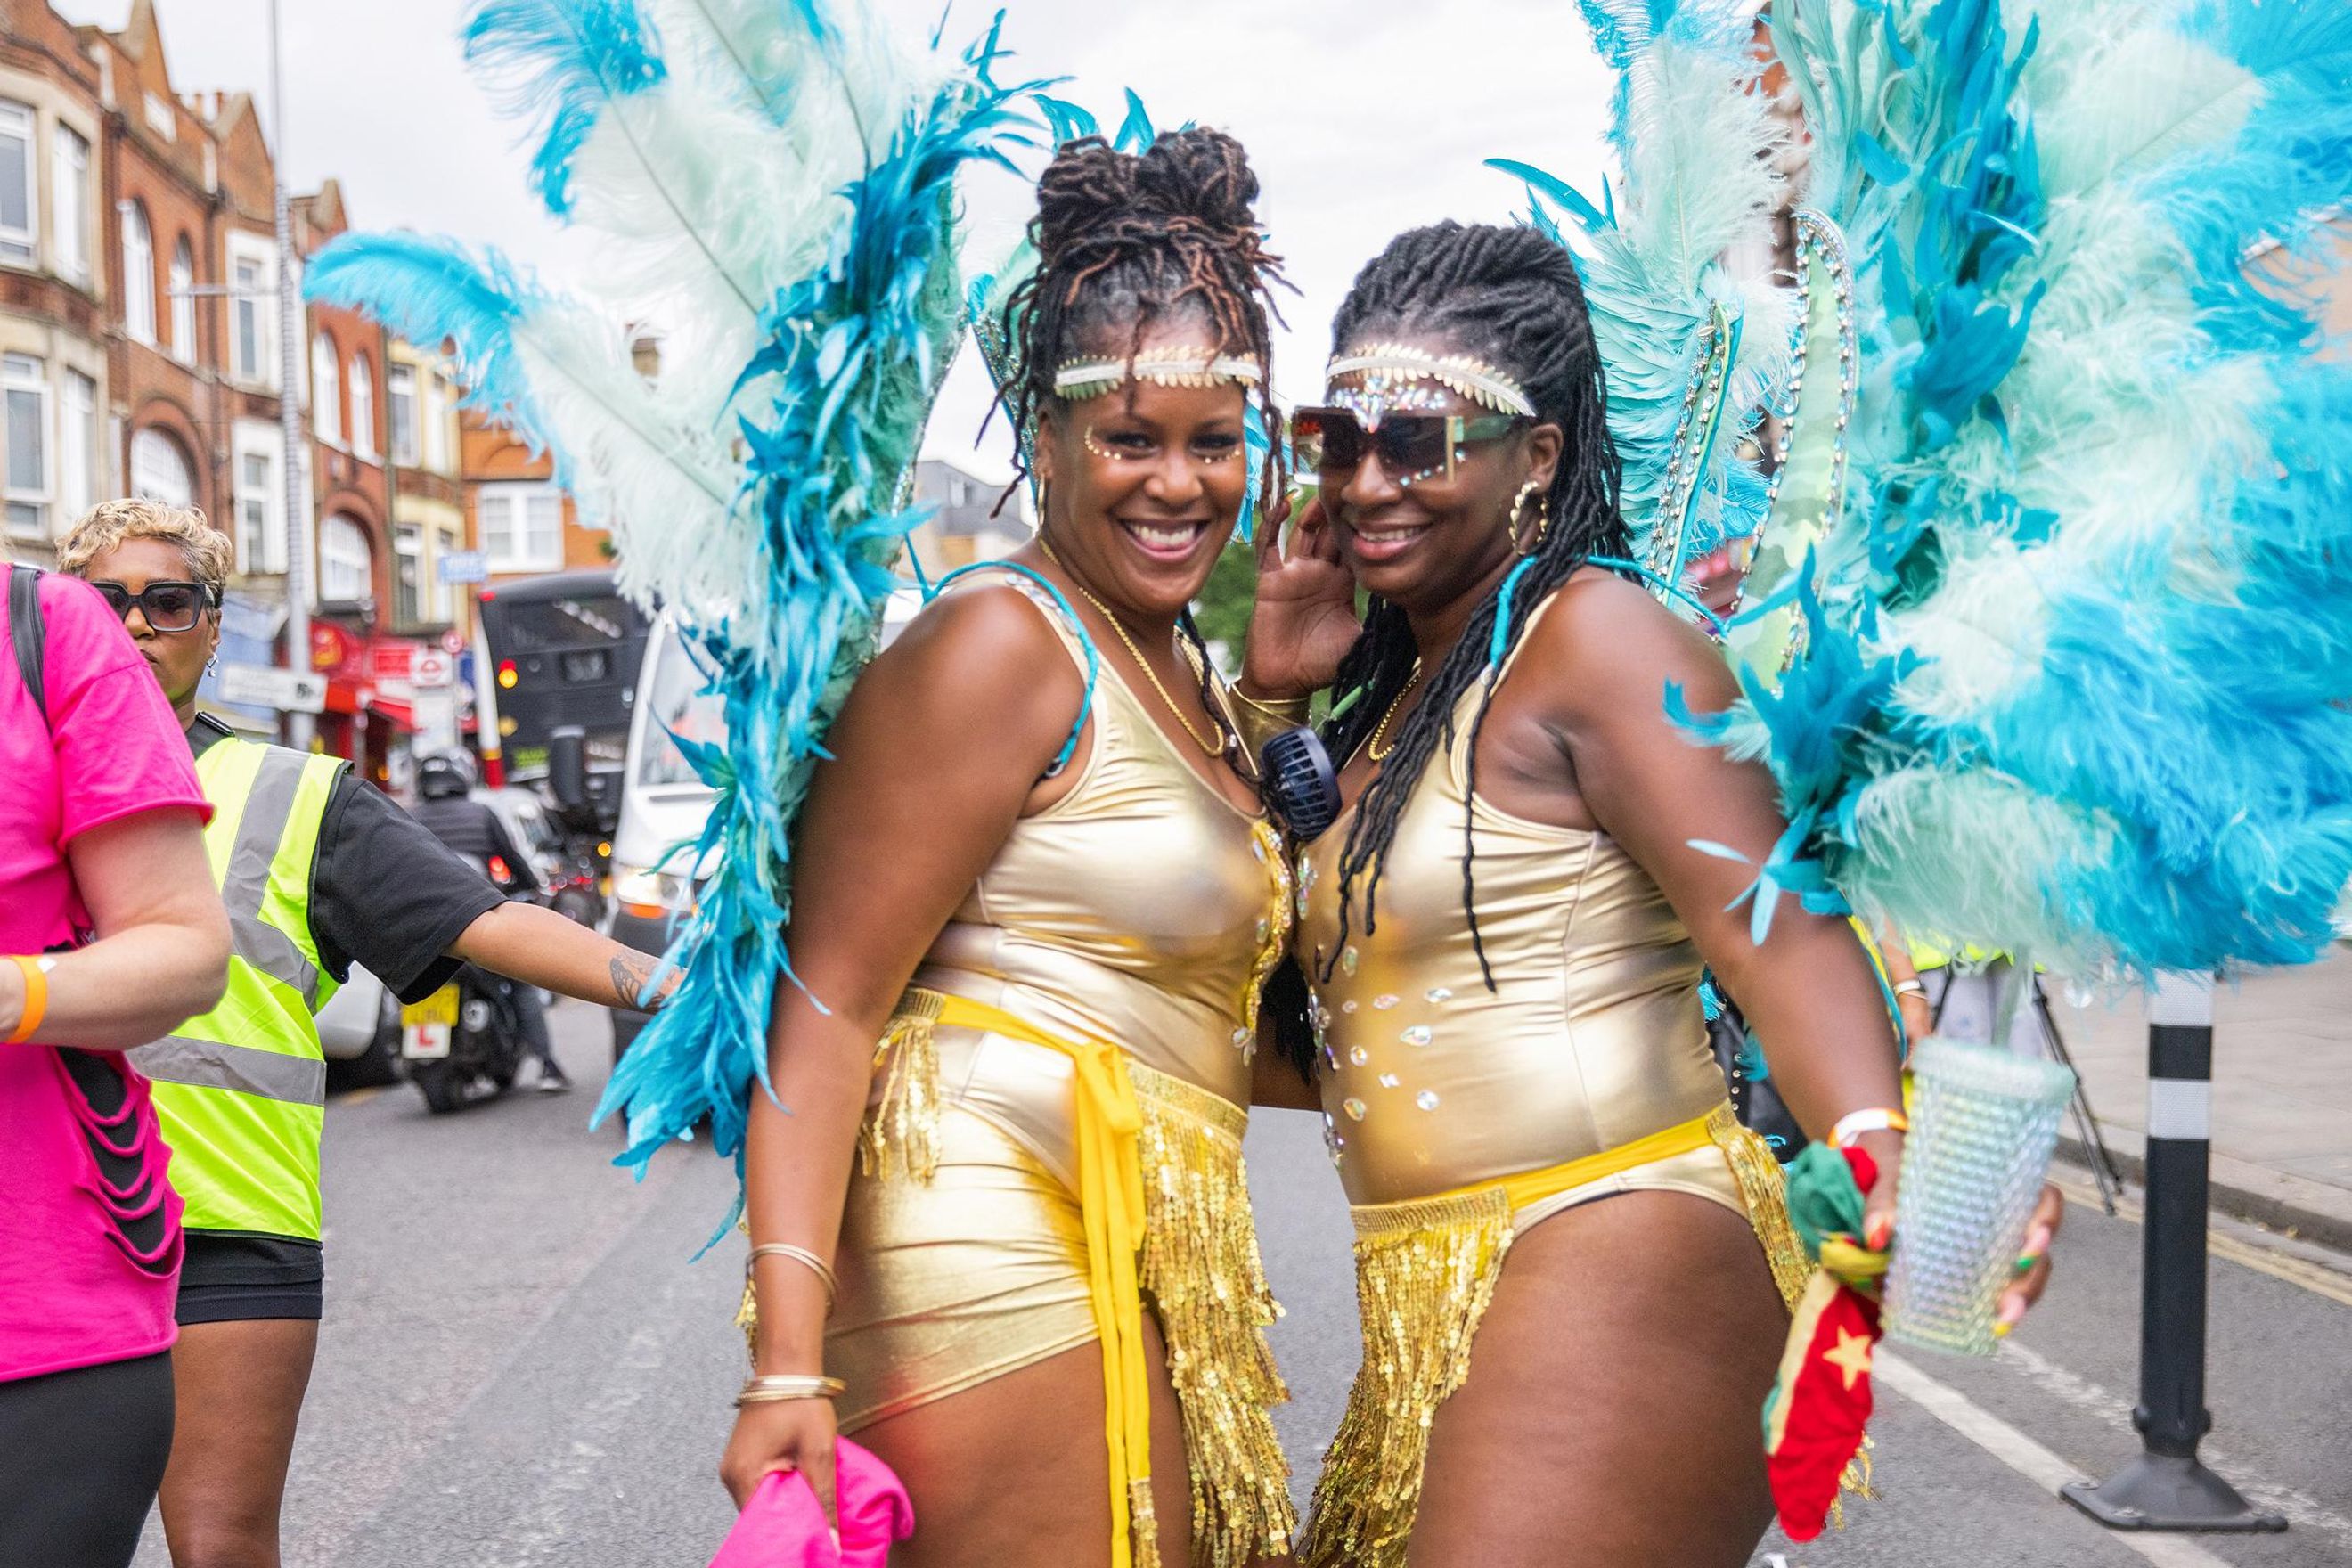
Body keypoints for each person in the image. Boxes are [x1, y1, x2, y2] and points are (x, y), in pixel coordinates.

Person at [1240, 223, 2064, 1568]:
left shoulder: (1598, 637)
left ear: (1539, 455)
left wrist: (1873, 1138)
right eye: (1340, 439)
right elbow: (1307, 1035)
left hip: (1615, 1247)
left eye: (1421, 442)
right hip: (1435, 1286)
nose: (1371, 481)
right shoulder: (1394, 699)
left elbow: (1778, 928)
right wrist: (1275, 692)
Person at [720, 129, 1298, 1568]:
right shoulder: (1000, 643)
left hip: (1135, 1228)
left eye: (1214, 442)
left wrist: (1283, 697)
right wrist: (786, 1366)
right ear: (1042, 441)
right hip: (987, 1231)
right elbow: (827, 1002)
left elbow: (1207, 1000)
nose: (1179, 485)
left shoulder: (1181, 664)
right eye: (1130, 440)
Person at [58, 498, 674, 1568]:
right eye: (105, 601)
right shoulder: (20, 780)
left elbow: (489, 921)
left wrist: (682, 989)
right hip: (42, 1225)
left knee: (220, 1545)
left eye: (169, 600)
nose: (138, 622)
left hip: (227, 1229)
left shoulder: (295, 794)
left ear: (214, 623)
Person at [0, 559, 230, 1567]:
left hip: (37, 1315)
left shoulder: (42, 626)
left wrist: (13, 992)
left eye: (171, 601)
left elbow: (187, 947)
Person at [409, 750, 569, 1091]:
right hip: (475, 928)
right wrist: (529, 888)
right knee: (521, 982)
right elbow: (515, 862)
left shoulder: (407, 819)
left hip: (420, 938)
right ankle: (548, 1066)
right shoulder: (481, 815)